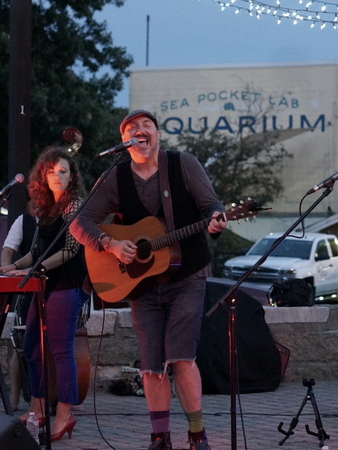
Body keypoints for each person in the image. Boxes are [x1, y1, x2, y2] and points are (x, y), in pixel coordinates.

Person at [70, 110, 227, 450]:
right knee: (152, 363)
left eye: (146, 126)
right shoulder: (115, 176)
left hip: (187, 274)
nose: (140, 131)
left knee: (181, 356)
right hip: (141, 282)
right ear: (124, 141)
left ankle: (197, 434)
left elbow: (211, 205)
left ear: (157, 135)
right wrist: (110, 244)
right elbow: (79, 223)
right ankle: (159, 437)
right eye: (132, 128)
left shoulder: (183, 164)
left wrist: (216, 218)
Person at [0, 147, 87, 441]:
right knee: (31, 346)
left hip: (66, 285)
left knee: (61, 350)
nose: (57, 176)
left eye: (63, 171)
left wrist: (32, 271)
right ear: (43, 176)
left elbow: (70, 250)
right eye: (51, 171)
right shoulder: (44, 208)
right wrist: (13, 267)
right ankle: (38, 408)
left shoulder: (75, 205)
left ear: (72, 177)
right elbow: (35, 251)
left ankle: (65, 415)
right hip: (43, 284)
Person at [0, 211, 37, 411]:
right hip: (28, 288)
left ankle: (56, 396)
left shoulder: (62, 216)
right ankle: (14, 397)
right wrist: (7, 271)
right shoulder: (23, 220)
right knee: (19, 344)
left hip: (55, 286)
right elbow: (7, 250)